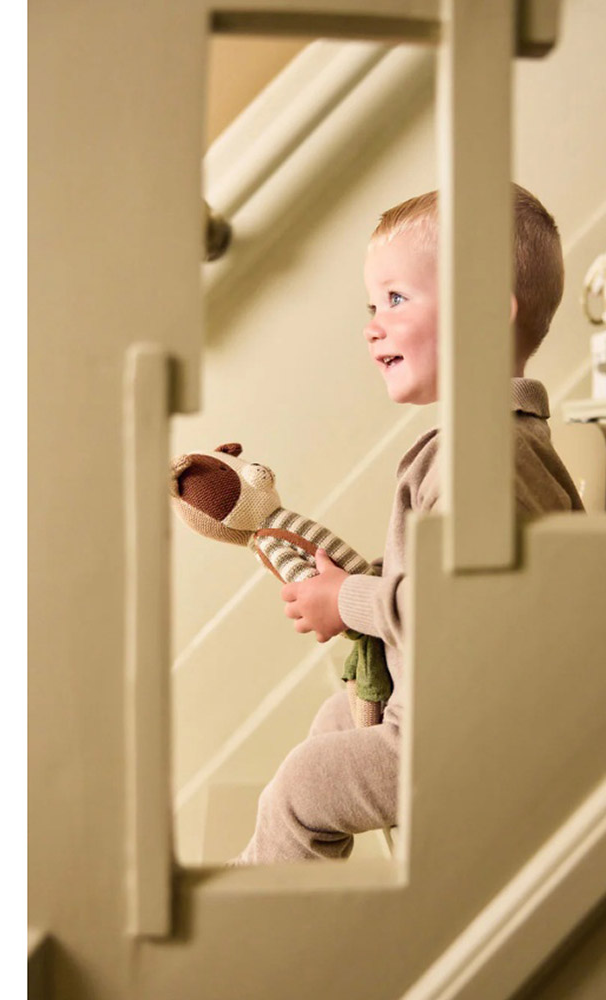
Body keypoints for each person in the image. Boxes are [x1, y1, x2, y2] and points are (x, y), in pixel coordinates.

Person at [232, 184, 584, 865]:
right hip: (436, 705)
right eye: (373, 306)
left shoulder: (488, 455)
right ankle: (263, 879)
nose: (373, 325)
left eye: (396, 299)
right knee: (332, 725)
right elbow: (445, 575)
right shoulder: (475, 444)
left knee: (304, 786)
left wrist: (349, 600)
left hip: (474, 731)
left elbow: (462, 605)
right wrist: (359, 580)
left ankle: (252, 914)